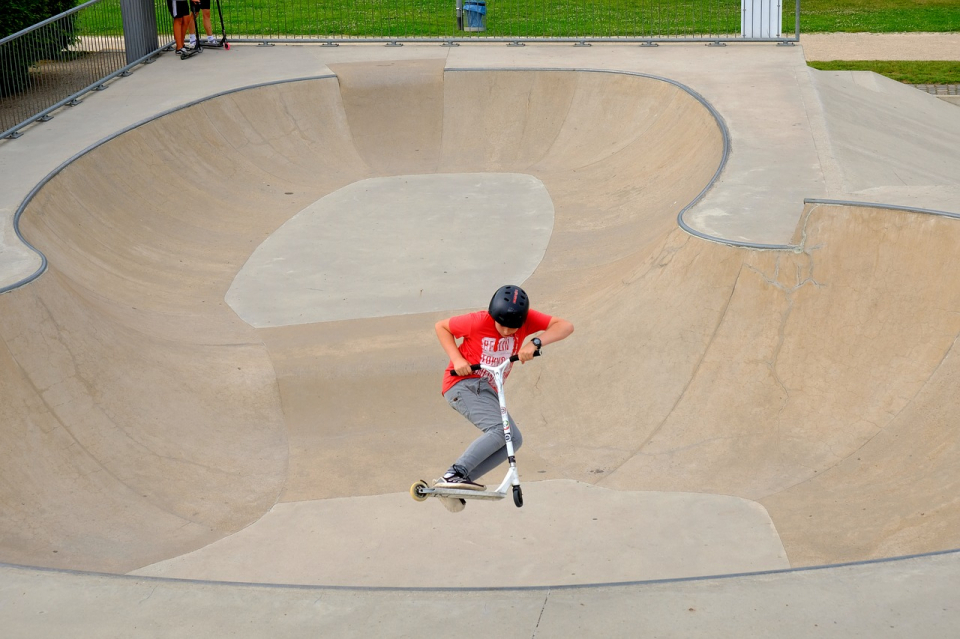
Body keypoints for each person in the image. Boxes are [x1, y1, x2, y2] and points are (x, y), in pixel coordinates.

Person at [433, 285, 574, 512]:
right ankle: (455, 473)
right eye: (502, 326)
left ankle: (457, 483)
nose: (508, 332)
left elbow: (566, 326)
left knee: (514, 439)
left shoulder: (527, 321)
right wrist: (457, 358)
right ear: (493, 316)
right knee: (500, 431)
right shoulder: (478, 321)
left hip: (488, 389)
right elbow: (441, 327)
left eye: (513, 329)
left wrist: (535, 342)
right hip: (463, 385)